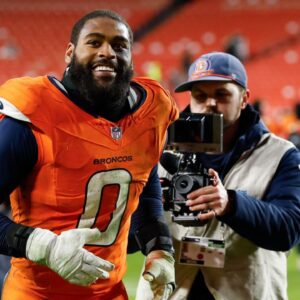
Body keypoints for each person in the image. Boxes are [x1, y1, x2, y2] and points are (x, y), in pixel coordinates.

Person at [0, 9, 178, 300]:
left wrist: (160, 249)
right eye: (94, 43)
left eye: (119, 46)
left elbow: (145, 183)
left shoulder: (152, 112)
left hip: (110, 292)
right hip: (36, 294)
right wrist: (41, 246)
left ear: (132, 57)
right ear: (70, 53)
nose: (107, 52)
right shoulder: (33, 114)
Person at [136, 52, 300, 300]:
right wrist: (149, 205)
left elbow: (289, 229)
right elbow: (127, 239)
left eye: (221, 94)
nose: (209, 103)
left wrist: (231, 204)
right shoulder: (159, 147)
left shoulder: (280, 154)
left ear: (244, 98)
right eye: (200, 95)